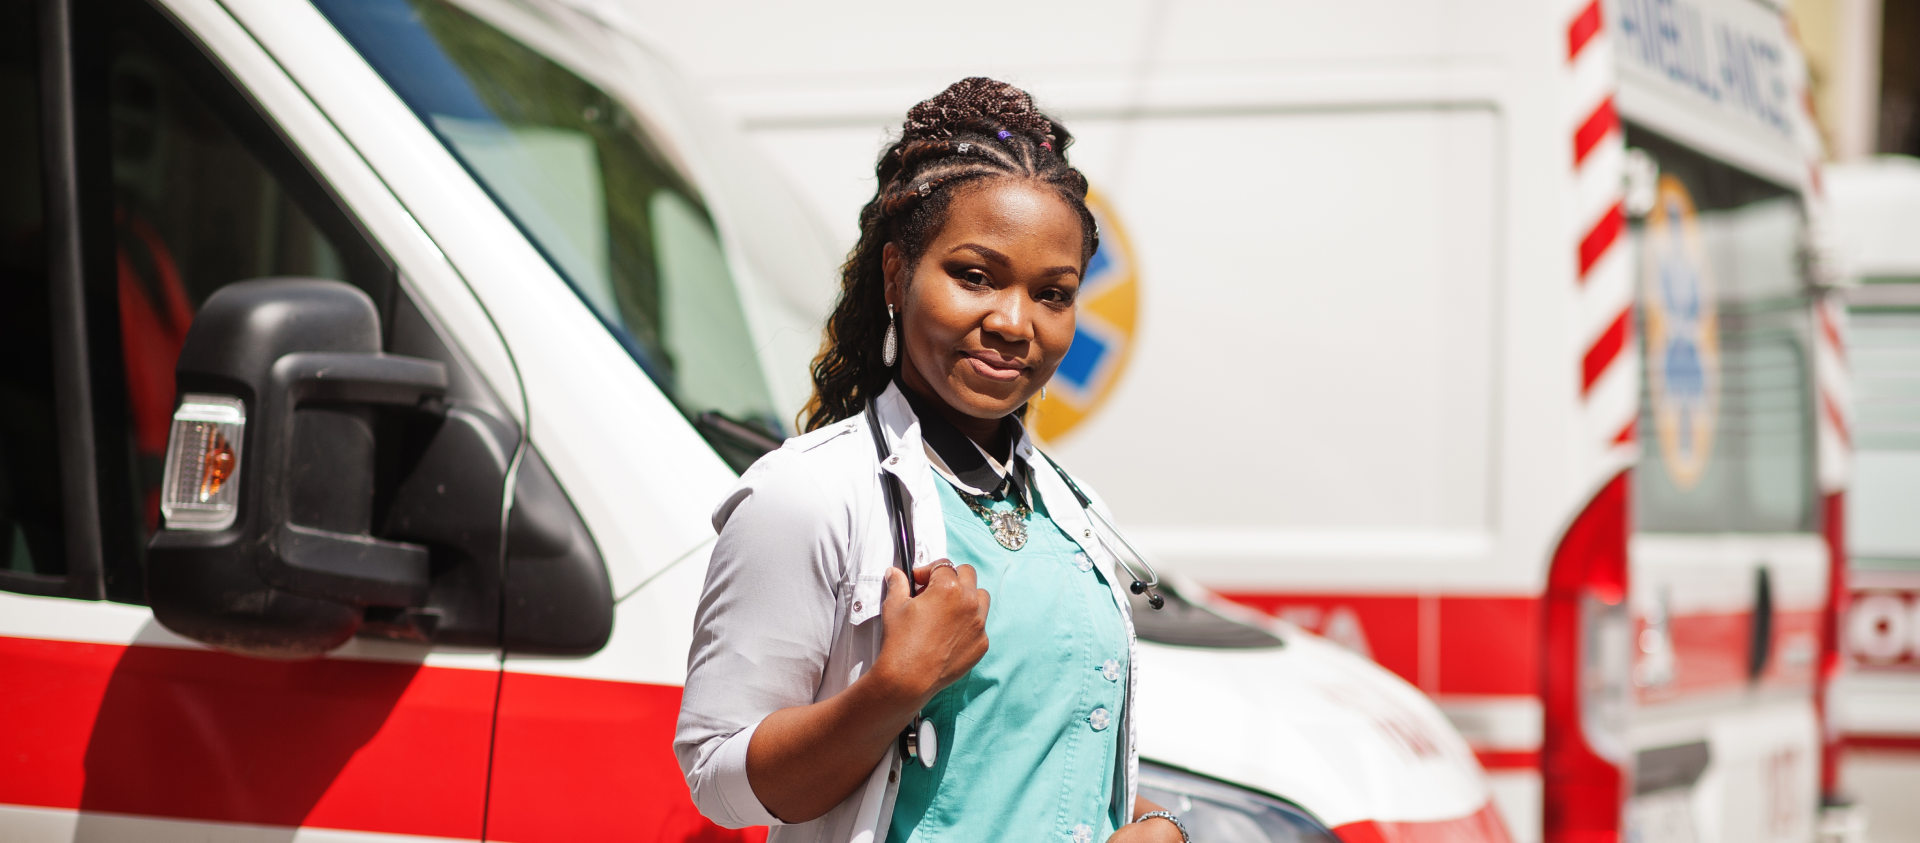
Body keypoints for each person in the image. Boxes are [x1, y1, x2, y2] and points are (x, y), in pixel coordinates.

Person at [675, 78, 1185, 843]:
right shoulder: (807, 494)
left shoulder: (1075, 511)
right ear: (895, 276)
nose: (1015, 322)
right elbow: (718, 780)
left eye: (1053, 293)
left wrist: (1153, 830)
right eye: (975, 276)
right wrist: (895, 686)